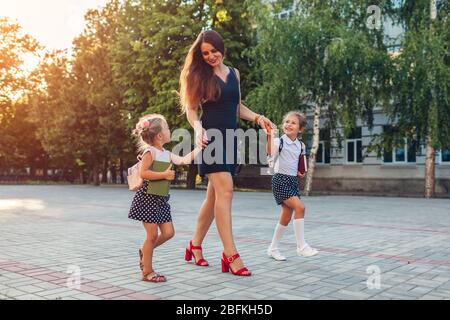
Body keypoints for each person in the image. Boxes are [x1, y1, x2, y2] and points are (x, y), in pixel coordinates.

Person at [179, 30, 275, 276]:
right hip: (211, 139)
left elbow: (237, 106)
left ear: (222, 47)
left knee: (213, 199)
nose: (211, 56)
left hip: (231, 139)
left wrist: (257, 117)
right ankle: (230, 254)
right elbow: (191, 110)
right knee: (227, 190)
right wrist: (198, 128)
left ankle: (194, 245)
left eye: (214, 51)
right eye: (205, 53)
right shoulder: (197, 75)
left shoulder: (235, 74)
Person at [128, 114, 201, 282]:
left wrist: (199, 148)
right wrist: (164, 174)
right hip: (147, 198)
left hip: (161, 199)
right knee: (152, 235)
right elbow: (143, 173)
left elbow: (183, 160)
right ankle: (147, 272)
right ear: (160, 135)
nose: (170, 131)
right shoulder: (150, 152)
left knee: (169, 233)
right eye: (167, 128)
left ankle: (144, 250)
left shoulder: (166, 153)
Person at [266, 111, 319, 261]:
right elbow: (270, 152)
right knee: (300, 208)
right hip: (280, 180)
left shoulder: (301, 146)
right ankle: (301, 247)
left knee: (286, 216)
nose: (288, 124)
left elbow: (301, 166)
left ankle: (273, 248)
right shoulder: (279, 142)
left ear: (300, 129)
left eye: (293, 123)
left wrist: (301, 171)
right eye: (287, 121)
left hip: (292, 181)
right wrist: (270, 135)